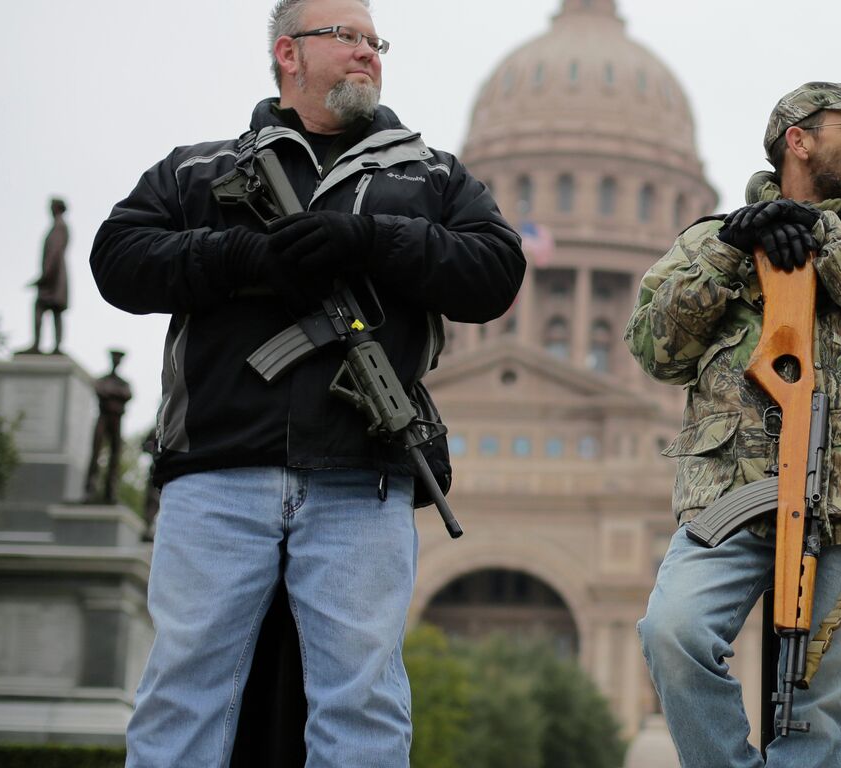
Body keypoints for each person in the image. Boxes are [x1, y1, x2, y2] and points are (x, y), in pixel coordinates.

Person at [89, 0, 525, 764]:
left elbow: (493, 271)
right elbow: (118, 260)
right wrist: (244, 258)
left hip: (365, 478)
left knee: (362, 701)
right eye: (346, 37)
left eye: (373, 40)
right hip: (219, 469)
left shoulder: (430, 177)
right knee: (183, 689)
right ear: (288, 54)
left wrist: (370, 237)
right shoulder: (201, 168)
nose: (368, 52)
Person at [629, 81, 841, 766]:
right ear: (798, 139)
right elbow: (655, 347)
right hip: (729, 496)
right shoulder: (712, 242)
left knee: (820, 705)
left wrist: (824, 236)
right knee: (672, 634)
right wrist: (731, 250)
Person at [84, 349, 131, 504]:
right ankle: (89, 490)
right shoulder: (103, 379)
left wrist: (111, 392)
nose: (116, 362)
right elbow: (100, 390)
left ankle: (110, 492)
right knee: (96, 453)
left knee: (115, 456)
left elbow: (127, 394)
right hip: (103, 418)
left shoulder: (123, 383)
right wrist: (115, 394)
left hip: (116, 420)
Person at [25, 197, 68, 354]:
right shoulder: (59, 226)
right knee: (53, 310)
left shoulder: (59, 226)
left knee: (43, 308)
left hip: (53, 276)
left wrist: (44, 276)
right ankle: (50, 345)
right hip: (56, 275)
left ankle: (42, 345)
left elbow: (54, 253)